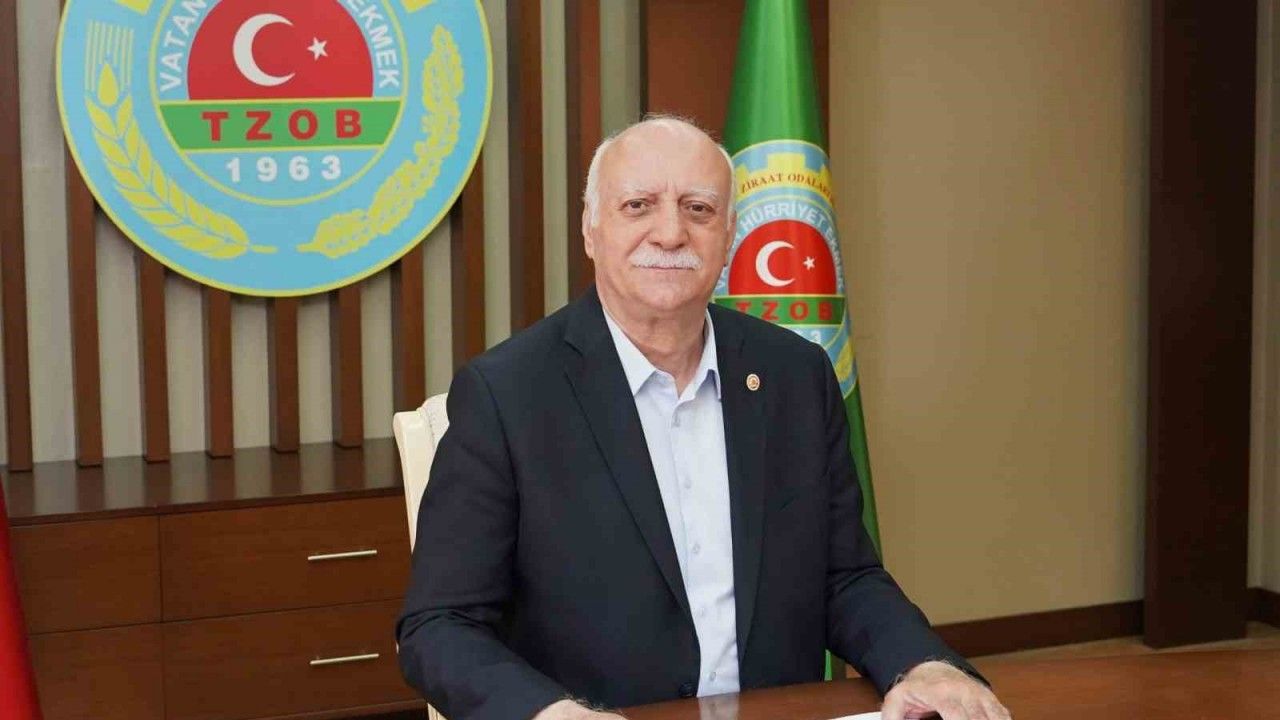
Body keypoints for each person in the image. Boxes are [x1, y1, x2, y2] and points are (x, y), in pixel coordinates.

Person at [396, 116, 1010, 720]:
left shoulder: (795, 376)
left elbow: (844, 577)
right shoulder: (507, 394)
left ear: (730, 233)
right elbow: (439, 625)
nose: (670, 233)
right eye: (638, 206)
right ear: (591, 230)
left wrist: (922, 664)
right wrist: (551, 714)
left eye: (698, 209)